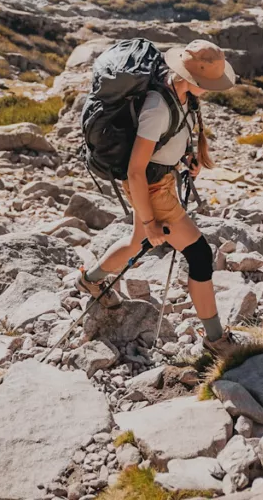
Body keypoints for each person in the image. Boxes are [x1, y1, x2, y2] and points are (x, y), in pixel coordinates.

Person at [77, 39, 241, 358]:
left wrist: (184, 162)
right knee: (199, 254)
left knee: (137, 243)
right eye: (208, 82)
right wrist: (151, 221)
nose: (211, 89)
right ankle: (216, 340)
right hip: (151, 187)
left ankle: (90, 280)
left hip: (160, 180)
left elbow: (168, 143)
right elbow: (135, 171)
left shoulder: (183, 97)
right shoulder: (157, 106)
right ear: (190, 78)